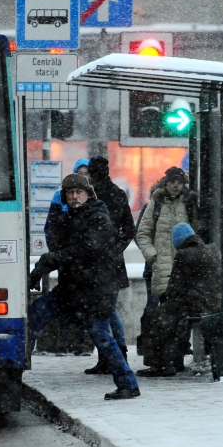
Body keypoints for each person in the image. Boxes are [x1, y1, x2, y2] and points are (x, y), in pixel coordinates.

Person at [28, 173, 140, 400]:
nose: (74, 196)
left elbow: (87, 250)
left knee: (102, 337)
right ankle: (16, 367)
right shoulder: (69, 217)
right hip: (72, 289)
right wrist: (43, 266)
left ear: (88, 194)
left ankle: (128, 383)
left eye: (79, 192)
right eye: (69, 193)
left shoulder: (98, 216)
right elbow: (57, 245)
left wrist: (48, 261)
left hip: (94, 289)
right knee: (34, 315)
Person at [137, 223, 220, 377]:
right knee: (173, 314)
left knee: (154, 317)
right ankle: (174, 362)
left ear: (178, 241)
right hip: (213, 302)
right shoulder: (211, 250)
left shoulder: (184, 255)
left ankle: (162, 364)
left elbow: (175, 287)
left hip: (196, 303)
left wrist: (165, 297)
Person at [77, 156, 135, 375]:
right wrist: (115, 249)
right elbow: (129, 228)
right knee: (109, 309)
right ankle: (117, 355)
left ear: (91, 172)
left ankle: (109, 356)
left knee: (102, 311)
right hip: (112, 260)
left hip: (93, 260)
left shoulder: (90, 196)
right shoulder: (118, 194)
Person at [135, 167, 198, 303]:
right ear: (166, 183)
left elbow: (197, 234)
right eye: (172, 181)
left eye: (179, 182)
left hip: (184, 267)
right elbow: (142, 233)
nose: (175, 185)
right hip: (161, 267)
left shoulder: (189, 203)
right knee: (165, 310)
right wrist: (152, 255)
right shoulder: (156, 203)